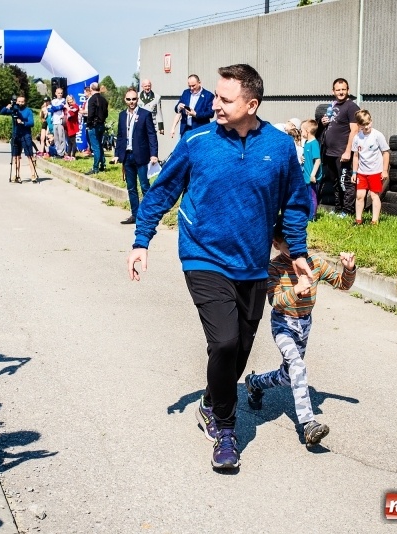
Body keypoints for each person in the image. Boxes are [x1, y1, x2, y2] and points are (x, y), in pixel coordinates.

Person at [126, 64, 310, 470]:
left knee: (241, 347)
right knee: (225, 341)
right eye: (215, 97)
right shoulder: (198, 141)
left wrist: (298, 252)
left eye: (226, 100)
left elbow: (295, 204)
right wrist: (142, 241)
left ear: (252, 104)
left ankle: (213, 398)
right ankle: (225, 430)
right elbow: (161, 193)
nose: (215, 105)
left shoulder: (279, 148)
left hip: (253, 264)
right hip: (203, 255)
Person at [244, 226, 356, 448]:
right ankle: (308, 424)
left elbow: (342, 284)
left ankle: (254, 383)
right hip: (283, 323)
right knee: (297, 366)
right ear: (276, 245)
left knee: (288, 375)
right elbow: (274, 301)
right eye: (289, 246)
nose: (297, 250)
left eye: (300, 244)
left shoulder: (314, 262)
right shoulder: (274, 267)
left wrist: (349, 269)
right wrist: (296, 289)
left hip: (305, 324)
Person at [113, 89, 159, 225]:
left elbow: (151, 135)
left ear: (137, 99)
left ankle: (149, 214)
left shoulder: (145, 114)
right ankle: (135, 214)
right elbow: (120, 136)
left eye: (133, 99)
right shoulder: (122, 115)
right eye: (128, 99)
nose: (131, 102)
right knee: (131, 187)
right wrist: (117, 154)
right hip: (127, 156)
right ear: (125, 100)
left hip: (141, 155)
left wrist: (154, 154)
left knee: (145, 186)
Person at [321, 78, 360, 217]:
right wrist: (324, 122)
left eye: (343, 89)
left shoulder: (352, 107)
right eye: (338, 90)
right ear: (333, 91)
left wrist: (348, 151)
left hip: (342, 152)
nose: (341, 92)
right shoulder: (334, 105)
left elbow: (354, 130)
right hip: (330, 152)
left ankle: (348, 211)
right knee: (336, 183)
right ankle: (338, 209)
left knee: (346, 183)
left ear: (348, 90)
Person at [352, 109, 390, 225]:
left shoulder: (377, 135)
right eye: (364, 125)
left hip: (375, 172)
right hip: (362, 172)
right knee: (360, 195)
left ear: (371, 121)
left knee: (374, 195)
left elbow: (386, 153)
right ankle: (358, 219)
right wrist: (354, 172)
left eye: (368, 124)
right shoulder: (357, 138)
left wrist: (384, 170)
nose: (367, 127)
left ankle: (374, 221)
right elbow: (356, 156)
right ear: (359, 125)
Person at [0, 95, 36, 183]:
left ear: (25, 102)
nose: (20, 103)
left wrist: (23, 122)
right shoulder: (14, 110)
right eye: (18, 101)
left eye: (22, 102)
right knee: (16, 156)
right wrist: (7, 107)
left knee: (30, 155)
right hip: (16, 134)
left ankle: (33, 174)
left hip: (26, 135)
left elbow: (31, 123)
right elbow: (2, 112)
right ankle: (17, 175)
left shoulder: (28, 111)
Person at [84, 82, 108, 175]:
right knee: (99, 145)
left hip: (94, 125)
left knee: (95, 147)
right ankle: (103, 164)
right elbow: (106, 114)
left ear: (91, 89)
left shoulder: (92, 99)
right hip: (102, 124)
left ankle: (95, 167)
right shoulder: (104, 100)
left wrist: (89, 124)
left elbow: (91, 114)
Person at [301, 119, 322, 220]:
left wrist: (313, 174)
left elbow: (317, 160)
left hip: (312, 177)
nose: (301, 132)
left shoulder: (314, 144)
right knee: (306, 196)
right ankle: (307, 213)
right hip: (305, 176)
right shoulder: (306, 143)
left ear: (307, 131)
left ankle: (312, 216)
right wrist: (302, 157)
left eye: (302, 130)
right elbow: (307, 157)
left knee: (312, 197)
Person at [48, 87, 67, 158]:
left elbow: (59, 108)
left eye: (61, 93)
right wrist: (54, 108)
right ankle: (58, 151)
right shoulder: (53, 101)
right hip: (54, 121)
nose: (60, 94)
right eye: (58, 93)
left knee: (61, 137)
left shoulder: (63, 100)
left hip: (60, 121)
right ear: (56, 93)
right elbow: (50, 110)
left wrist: (54, 108)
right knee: (56, 138)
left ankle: (62, 153)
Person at [64, 94, 80, 160]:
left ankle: (73, 155)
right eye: (68, 100)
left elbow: (72, 114)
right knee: (69, 141)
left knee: (73, 141)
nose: (70, 101)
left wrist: (68, 108)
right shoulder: (67, 107)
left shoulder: (75, 106)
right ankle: (68, 154)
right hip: (67, 126)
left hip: (73, 126)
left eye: (71, 99)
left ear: (73, 99)